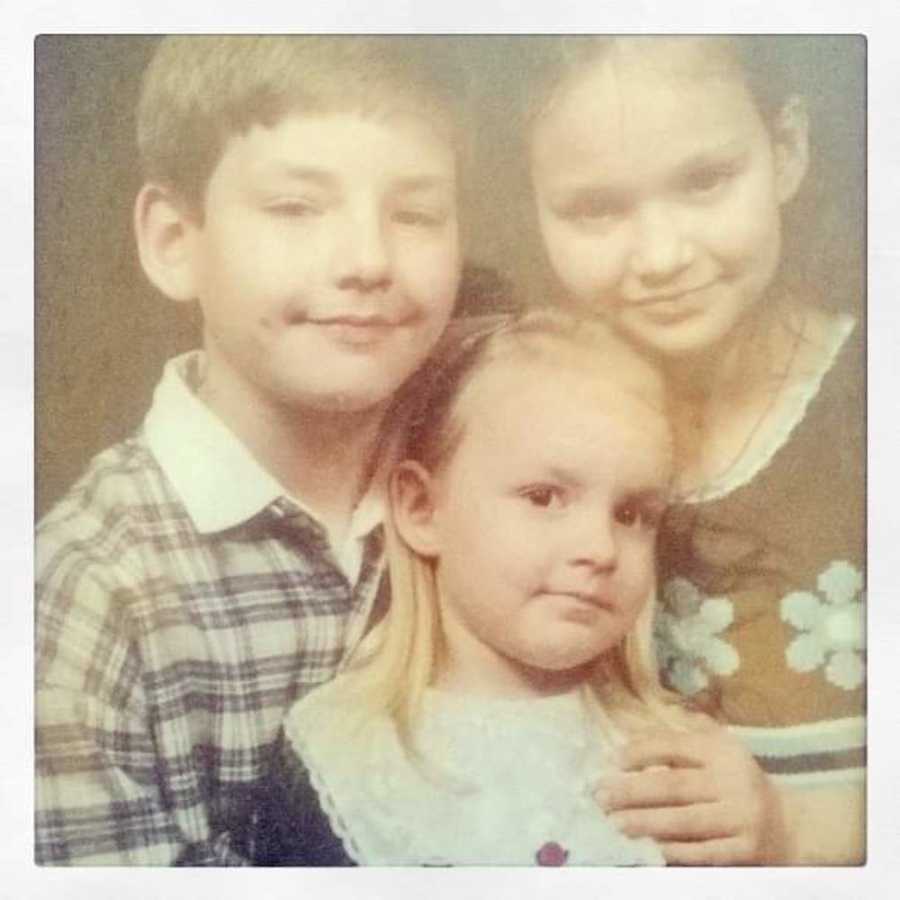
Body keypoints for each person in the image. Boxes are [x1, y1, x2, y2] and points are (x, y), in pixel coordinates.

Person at [35, 35, 467, 865]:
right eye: (296, 209)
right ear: (174, 241)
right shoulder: (89, 594)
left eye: (415, 214)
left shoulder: (488, 484)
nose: (370, 261)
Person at [244, 309, 782, 866]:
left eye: (631, 513)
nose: (599, 548)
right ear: (422, 509)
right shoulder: (341, 756)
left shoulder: (681, 758)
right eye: (544, 497)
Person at [524, 36, 864, 863]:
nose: (663, 256)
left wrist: (790, 838)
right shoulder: (535, 422)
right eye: (597, 209)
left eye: (706, 181)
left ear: (786, 151)